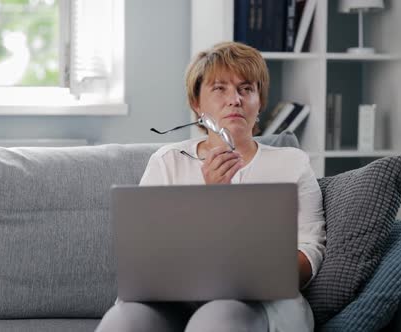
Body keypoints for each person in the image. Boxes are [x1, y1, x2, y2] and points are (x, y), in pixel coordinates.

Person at [96, 41, 326, 332]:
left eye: (246, 89)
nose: (235, 100)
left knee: (216, 320)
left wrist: (258, 275)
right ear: (196, 103)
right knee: (123, 321)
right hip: (172, 303)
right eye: (220, 88)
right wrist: (209, 198)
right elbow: (147, 254)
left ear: (260, 101)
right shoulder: (168, 162)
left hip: (259, 303)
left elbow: (310, 250)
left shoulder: (291, 164)